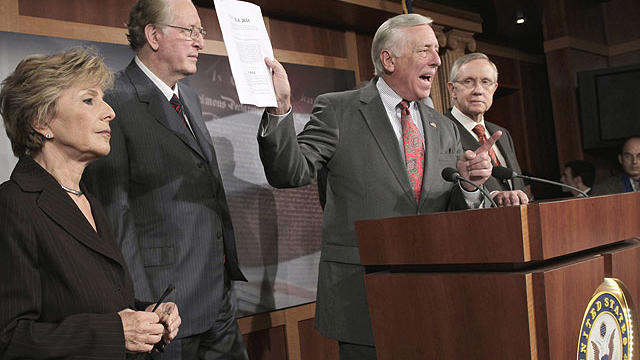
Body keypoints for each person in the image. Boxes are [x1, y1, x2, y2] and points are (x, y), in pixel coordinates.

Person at [259, 13, 522, 359]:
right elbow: (290, 172)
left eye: (436, 50)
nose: (436, 60)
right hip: (363, 298)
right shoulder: (339, 109)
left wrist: (472, 186)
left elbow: (454, 214)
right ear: (388, 59)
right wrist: (280, 108)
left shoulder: (442, 127)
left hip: (435, 297)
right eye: (424, 50)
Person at [82, 0, 248, 358]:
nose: (200, 42)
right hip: (164, 308)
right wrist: (145, 303)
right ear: (153, 35)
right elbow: (115, 213)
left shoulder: (188, 97)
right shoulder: (114, 101)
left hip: (219, 299)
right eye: (189, 31)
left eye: (200, 32)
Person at [0, 48, 180, 359]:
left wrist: (144, 317)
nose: (109, 111)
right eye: (89, 100)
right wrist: (117, 332)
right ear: (42, 121)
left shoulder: (90, 201)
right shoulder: (13, 205)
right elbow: (10, 338)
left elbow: (93, 305)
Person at [445, 52, 528, 205]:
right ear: (452, 90)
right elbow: (441, 192)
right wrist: (493, 197)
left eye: (485, 82)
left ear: (494, 89)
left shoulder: (502, 134)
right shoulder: (439, 130)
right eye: (468, 81)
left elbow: (516, 185)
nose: (478, 90)